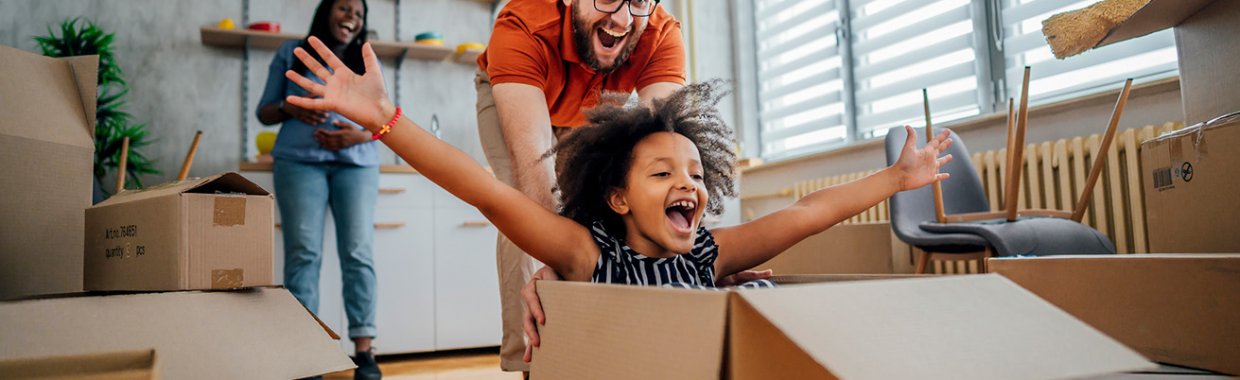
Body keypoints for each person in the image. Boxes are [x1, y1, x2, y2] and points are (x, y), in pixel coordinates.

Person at [283, 36, 955, 370]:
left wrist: (894, 181)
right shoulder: (584, 256)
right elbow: (484, 190)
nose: (687, 182)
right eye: (661, 172)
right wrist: (384, 119)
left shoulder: (707, 257)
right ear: (617, 197)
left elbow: (802, 218)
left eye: (694, 171)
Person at [475, 0, 693, 371]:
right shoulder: (522, 24)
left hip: (591, 109)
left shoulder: (660, 34)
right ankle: (527, 361)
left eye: (638, 1)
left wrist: (699, 263)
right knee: (522, 212)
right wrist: (554, 263)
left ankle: (596, 342)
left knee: (603, 204)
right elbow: (534, 168)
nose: (623, 19)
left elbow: (672, 162)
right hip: (517, 97)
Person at [254, 0, 382, 378]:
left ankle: (365, 351)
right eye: (344, 9)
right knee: (303, 255)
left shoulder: (366, 60)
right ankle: (305, 353)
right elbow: (264, 110)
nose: (351, 19)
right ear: (327, 10)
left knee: (358, 252)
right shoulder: (291, 52)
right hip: (298, 161)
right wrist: (292, 108)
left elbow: (386, 120)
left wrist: (356, 135)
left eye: (358, 15)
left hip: (356, 163)